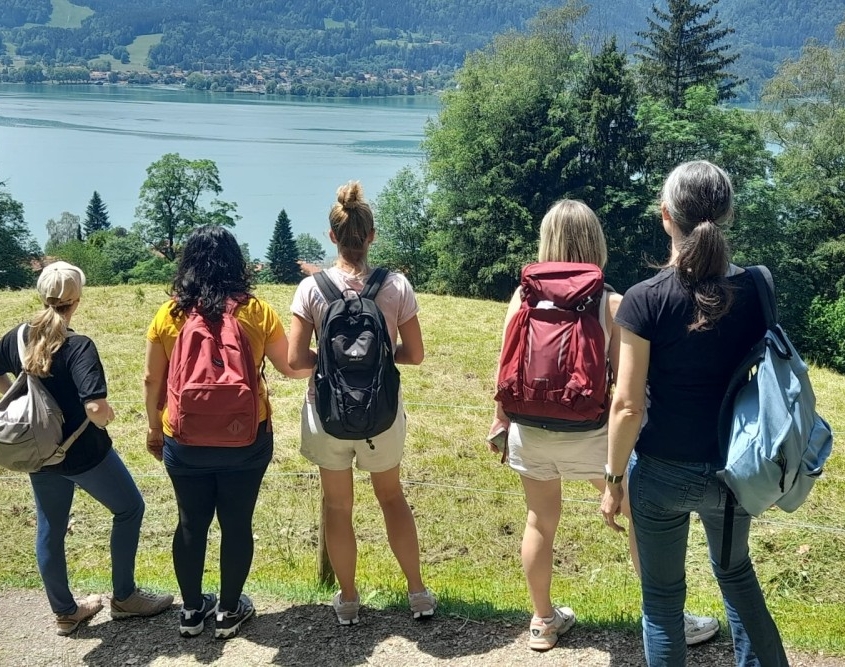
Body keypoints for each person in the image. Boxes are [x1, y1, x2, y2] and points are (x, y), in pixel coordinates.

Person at [490, 200, 719, 652]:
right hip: (591, 434)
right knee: (640, 520)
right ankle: (671, 620)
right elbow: (621, 390)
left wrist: (499, 422)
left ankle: (541, 622)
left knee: (539, 520)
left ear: (546, 241)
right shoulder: (610, 302)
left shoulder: (524, 296)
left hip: (530, 429)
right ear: (596, 241)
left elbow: (505, 365)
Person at [601, 161, 789, 666]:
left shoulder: (643, 300)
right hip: (736, 471)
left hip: (659, 470)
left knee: (662, 604)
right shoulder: (758, 287)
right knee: (737, 578)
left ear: (666, 216)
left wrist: (614, 479)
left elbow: (627, 404)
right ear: (726, 214)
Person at [143, 226, 309, 640]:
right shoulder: (256, 311)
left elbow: (151, 379)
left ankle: (192, 611)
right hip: (247, 439)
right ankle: (231, 609)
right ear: (235, 262)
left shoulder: (169, 314)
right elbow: (292, 367)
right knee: (237, 524)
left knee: (189, 523)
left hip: (183, 441)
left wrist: (152, 428)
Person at [288, 180, 436, 626]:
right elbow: (415, 354)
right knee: (392, 498)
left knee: (338, 507)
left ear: (333, 236)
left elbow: (295, 361)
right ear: (371, 236)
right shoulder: (396, 287)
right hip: (382, 413)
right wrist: (374, 358)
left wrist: (333, 363)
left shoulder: (310, 290)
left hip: (327, 414)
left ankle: (348, 600)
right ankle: (418, 595)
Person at [0, 261, 172, 636]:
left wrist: (21, 407)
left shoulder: (13, 338)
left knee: (50, 528)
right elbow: (95, 408)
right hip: (85, 454)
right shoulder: (78, 345)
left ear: (40, 295)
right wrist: (107, 416)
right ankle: (125, 597)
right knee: (129, 509)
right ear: (76, 299)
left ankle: (65, 612)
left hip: (39, 452)